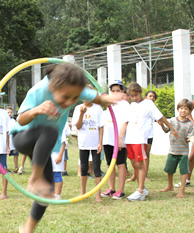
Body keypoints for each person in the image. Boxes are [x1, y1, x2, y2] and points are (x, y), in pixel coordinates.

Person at [10, 62, 124, 233]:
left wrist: (109, 98)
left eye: (75, 98)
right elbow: (20, 120)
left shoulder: (74, 89)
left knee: (47, 190)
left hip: (42, 146)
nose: (70, 102)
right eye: (65, 98)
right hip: (23, 138)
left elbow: (98, 98)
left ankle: (28, 228)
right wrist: (38, 110)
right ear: (53, 87)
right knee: (50, 131)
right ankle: (34, 178)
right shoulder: (39, 91)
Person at [125, 82, 177, 201]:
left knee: (139, 163)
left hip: (139, 139)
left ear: (141, 93)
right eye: (132, 96)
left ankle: (140, 190)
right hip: (129, 138)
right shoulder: (132, 105)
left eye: (136, 95)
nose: (134, 98)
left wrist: (172, 128)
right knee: (133, 163)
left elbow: (160, 117)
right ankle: (142, 187)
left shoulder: (148, 104)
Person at [159, 99, 194, 198]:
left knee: (183, 171)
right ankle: (170, 186)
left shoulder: (190, 124)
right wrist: (161, 124)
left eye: (186, 109)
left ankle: (182, 191)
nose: (183, 111)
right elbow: (166, 130)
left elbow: (189, 137)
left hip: (183, 152)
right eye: (181, 108)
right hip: (172, 151)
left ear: (189, 111)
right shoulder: (172, 120)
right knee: (169, 170)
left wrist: (190, 139)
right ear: (178, 109)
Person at [101, 80, 129, 200]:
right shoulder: (109, 104)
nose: (115, 93)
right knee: (109, 164)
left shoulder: (125, 105)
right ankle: (111, 188)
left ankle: (121, 190)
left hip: (118, 140)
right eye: (113, 91)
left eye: (118, 90)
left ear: (123, 91)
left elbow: (125, 122)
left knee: (120, 164)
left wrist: (120, 139)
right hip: (108, 139)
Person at [72, 98, 104, 202]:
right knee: (84, 167)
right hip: (83, 143)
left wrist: (100, 142)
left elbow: (101, 126)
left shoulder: (98, 108)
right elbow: (78, 126)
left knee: (96, 167)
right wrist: (82, 114)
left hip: (95, 144)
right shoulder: (78, 108)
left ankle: (98, 195)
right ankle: (83, 192)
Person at [127, 90, 158, 182]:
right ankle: (134, 175)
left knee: (145, 155)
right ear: (145, 97)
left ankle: (144, 175)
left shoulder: (152, 108)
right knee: (137, 157)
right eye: (150, 96)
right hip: (139, 136)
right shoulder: (139, 107)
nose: (151, 98)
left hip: (149, 135)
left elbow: (158, 119)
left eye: (153, 97)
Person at [51, 123, 68, 200]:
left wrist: (60, 155)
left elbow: (63, 143)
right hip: (49, 155)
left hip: (57, 155)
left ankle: (57, 195)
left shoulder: (61, 127)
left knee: (57, 175)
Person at [6, 106, 19, 173]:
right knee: (4, 155)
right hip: (6, 141)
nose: (9, 114)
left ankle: (16, 167)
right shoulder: (4, 121)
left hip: (13, 140)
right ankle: (4, 167)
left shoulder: (13, 121)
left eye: (11, 112)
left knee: (15, 154)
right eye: (8, 112)